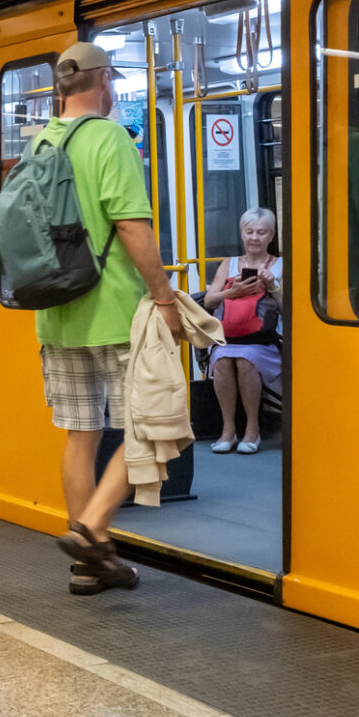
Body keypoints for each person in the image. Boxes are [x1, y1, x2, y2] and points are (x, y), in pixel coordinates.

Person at [29, 43, 186, 596]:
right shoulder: (109, 137)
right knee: (148, 424)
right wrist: (165, 299)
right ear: (104, 84)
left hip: (56, 311)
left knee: (81, 434)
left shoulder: (40, 142)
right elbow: (131, 227)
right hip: (115, 310)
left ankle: (86, 564)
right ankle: (93, 530)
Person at [196, 207, 282, 455]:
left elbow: (288, 310)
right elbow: (210, 302)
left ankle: (252, 429)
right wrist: (231, 293)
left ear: (271, 236)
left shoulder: (280, 265)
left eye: (261, 232)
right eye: (250, 232)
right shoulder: (229, 264)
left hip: (263, 341)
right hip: (230, 337)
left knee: (246, 361)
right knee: (222, 360)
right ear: (242, 235)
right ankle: (228, 430)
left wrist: (272, 286)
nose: (255, 237)